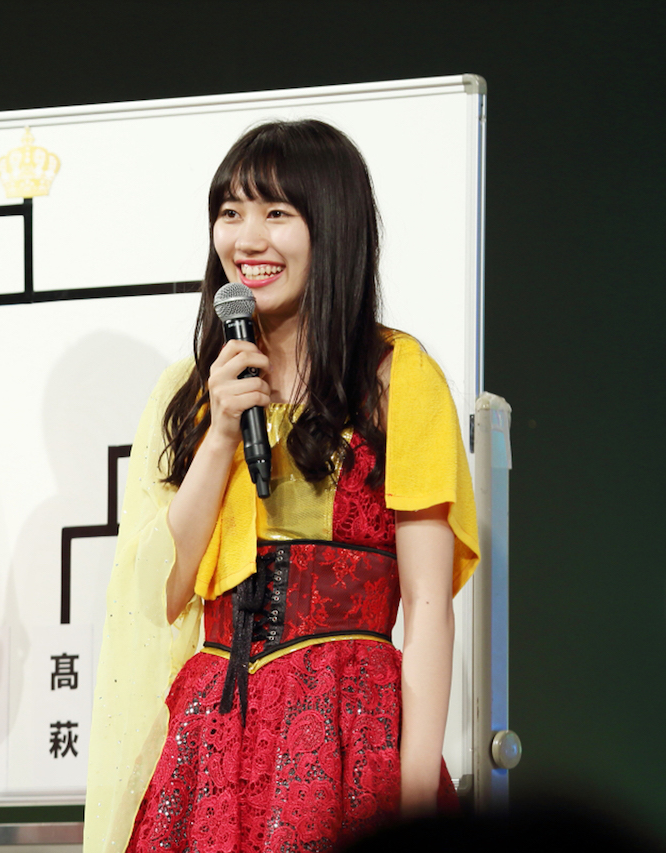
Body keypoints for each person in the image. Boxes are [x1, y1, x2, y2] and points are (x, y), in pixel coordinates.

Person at [84, 120, 479, 852]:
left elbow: (428, 603)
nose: (247, 239)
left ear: (333, 227)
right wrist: (220, 432)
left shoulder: (398, 377)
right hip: (212, 731)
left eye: (276, 213)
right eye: (230, 212)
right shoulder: (196, 389)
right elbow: (166, 593)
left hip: (345, 725)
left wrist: (416, 799)